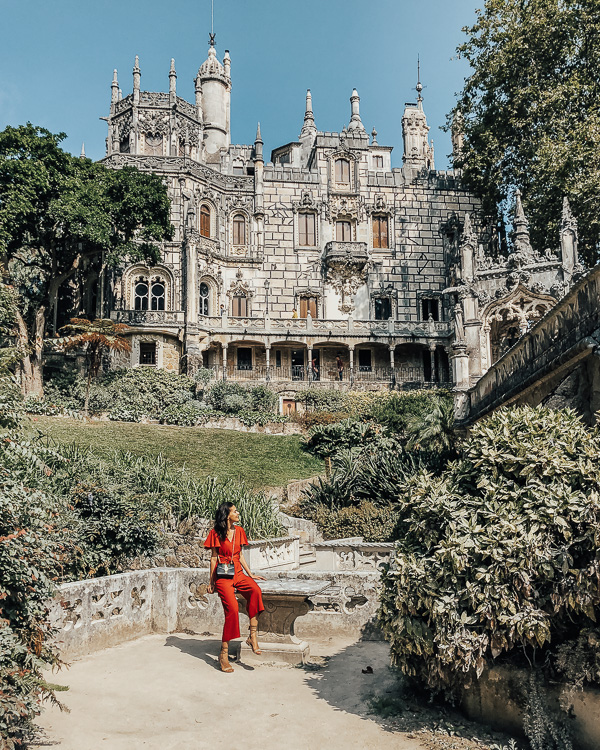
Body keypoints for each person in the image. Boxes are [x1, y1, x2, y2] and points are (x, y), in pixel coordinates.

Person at [205, 502, 266, 672]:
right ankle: (223, 653)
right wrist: (211, 582)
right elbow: (213, 558)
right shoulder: (215, 533)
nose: (238, 513)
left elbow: (240, 556)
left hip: (238, 572)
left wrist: (251, 574)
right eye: (235, 511)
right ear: (227, 515)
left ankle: (252, 636)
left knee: (255, 591)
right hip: (223, 575)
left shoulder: (239, 531)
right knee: (231, 609)